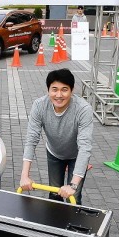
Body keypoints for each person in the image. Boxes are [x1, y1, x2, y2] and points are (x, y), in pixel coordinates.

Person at [20, 68, 93, 205]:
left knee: (74, 197)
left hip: (76, 156)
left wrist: (73, 185)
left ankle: (73, 224)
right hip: (54, 153)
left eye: (64, 89)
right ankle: (54, 225)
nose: (59, 95)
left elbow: (85, 148)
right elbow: (31, 140)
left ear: (72, 90)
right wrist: (24, 176)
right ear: (48, 90)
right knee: (54, 195)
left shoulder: (83, 109)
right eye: (54, 89)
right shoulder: (39, 106)